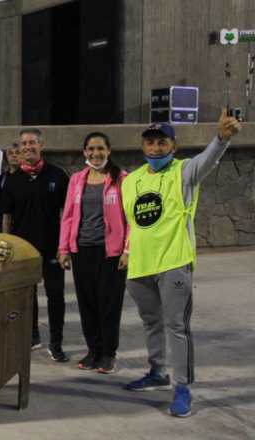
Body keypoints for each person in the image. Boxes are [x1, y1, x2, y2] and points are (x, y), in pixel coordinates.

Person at [119, 111, 240, 418]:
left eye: (162, 142)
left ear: (173, 146)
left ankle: (182, 387)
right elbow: (133, 222)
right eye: (150, 142)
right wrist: (127, 251)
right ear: (143, 146)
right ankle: (157, 372)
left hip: (174, 261)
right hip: (140, 265)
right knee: (151, 323)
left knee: (177, 326)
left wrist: (221, 138)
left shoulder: (184, 171)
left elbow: (208, 160)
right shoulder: (130, 181)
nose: (155, 148)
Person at [57, 132, 128, 373]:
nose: (95, 153)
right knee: (87, 303)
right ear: (84, 152)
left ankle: (108, 354)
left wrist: (127, 250)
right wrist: (64, 248)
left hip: (111, 253)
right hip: (82, 251)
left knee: (109, 304)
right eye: (91, 149)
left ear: (109, 151)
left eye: (100, 148)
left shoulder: (122, 179)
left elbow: (131, 219)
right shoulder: (77, 180)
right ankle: (93, 351)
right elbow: (67, 216)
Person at [1, 128, 70, 361]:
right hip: (22, 250)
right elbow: (7, 216)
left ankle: (56, 343)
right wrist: (7, 246)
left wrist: (64, 247)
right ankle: (31, 336)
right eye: (24, 143)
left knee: (55, 296)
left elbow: (67, 213)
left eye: (32, 142)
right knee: (26, 296)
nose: (28, 147)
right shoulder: (12, 180)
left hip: (52, 248)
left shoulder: (57, 175)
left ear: (41, 145)